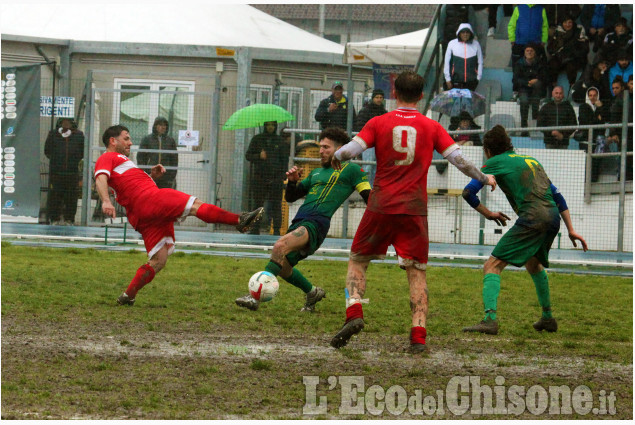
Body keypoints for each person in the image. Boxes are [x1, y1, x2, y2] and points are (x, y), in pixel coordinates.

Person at [329, 71, 497, 353]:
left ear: (394, 93)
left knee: (358, 260)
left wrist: (336, 155)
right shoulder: (431, 127)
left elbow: (350, 150)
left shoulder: (378, 122)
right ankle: (418, 337)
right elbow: (459, 160)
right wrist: (484, 177)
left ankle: (355, 313)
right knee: (417, 272)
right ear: (421, 96)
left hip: (381, 206)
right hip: (414, 210)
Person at [94, 125, 264, 306]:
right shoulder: (108, 156)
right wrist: (105, 200)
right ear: (113, 141)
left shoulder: (121, 161)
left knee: (159, 260)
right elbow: (100, 177)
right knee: (195, 206)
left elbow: (129, 185)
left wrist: (151, 176)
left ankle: (128, 295)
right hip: (149, 200)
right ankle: (240, 221)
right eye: (126, 138)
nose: (130, 142)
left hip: (140, 212)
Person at [461, 125, 588, 335]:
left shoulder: (494, 162)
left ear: (488, 150)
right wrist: (571, 230)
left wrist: (488, 213)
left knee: (491, 266)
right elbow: (558, 197)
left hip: (533, 218)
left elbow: (468, 193)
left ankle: (489, 319)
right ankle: (548, 318)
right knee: (534, 264)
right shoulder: (531, 161)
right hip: (553, 217)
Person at [235, 127, 371, 312]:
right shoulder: (316, 173)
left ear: (341, 149)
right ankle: (312, 292)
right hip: (300, 222)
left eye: (326, 147)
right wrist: (292, 181)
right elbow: (291, 197)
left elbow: (369, 197)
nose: (321, 151)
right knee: (283, 267)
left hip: (316, 223)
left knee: (279, 247)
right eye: (320, 147)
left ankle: (254, 298)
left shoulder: (352, 170)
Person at [245, 121, 289, 235]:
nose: (270, 127)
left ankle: (277, 231)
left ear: (275, 126)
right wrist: (258, 156)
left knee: (276, 205)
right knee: (258, 204)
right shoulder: (257, 139)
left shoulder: (280, 141)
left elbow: (285, 160)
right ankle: (255, 229)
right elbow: (248, 155)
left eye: (272, 125)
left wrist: (282, 176)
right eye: (268, 125)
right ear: (264, 126)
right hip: (260, 177)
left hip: (276, 178)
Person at [44, 117, 85, 225]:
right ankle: (54, 219)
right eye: (64, 122)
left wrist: (74, 160)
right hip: (56, 173)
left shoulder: (79, 135)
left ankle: (69, 219)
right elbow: (47, 151)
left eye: (68, 122)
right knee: (55, 196)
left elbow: (82, 151)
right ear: (60, 123)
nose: (66, 124)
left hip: (72, 173)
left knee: (71, 197)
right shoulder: (53, 134)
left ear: (72, 124)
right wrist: (56, 161)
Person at [512, 43, 547, 136]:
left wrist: (536, 80)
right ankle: (524, 126)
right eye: (527, 50)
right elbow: (515, 80)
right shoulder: (519, 64)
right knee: (524, 101)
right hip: (523, 89)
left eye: (531, 50)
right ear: (524, 53)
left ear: (535, 53)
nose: (529, 52)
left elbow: (544, 77)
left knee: (537, 95)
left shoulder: (540, 63)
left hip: (536, 90)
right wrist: (528, 83)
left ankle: (536, 123)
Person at [546, 15, 589, 89]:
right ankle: (554, 87)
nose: (567, 24)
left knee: (571, 66)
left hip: (574, 57)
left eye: (570, 22)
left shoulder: (579, 30)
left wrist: (574, 53)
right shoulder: (557, 31)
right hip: (560, 57)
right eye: (565, 22)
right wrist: (556, 52)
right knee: (552, 64)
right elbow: (550, 48)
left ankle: (572, 88)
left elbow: (584, 48)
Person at [138, 116, 178, 190]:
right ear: (155, 126)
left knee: (165, 198)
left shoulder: (170, 140)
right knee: (150, 196)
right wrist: (145, 173)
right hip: (151, 174)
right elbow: (141, 158)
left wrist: (171, 177)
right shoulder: (147, 139)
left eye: (164, 125)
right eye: (160, 125)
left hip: (166, 176)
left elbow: (174, 160)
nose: (163, 127)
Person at [444, 23, 483, 91]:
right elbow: (447, 63)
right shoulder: (452, 44)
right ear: (459, 33)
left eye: (467, 32)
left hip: (471, 82)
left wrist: (478, 78)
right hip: (455, 81)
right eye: (463, 32)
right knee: (455, 101)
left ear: (471, 33)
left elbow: (480, 62)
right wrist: (448, 79)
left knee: (468, 101)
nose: (465, 34)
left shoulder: (476, 44)